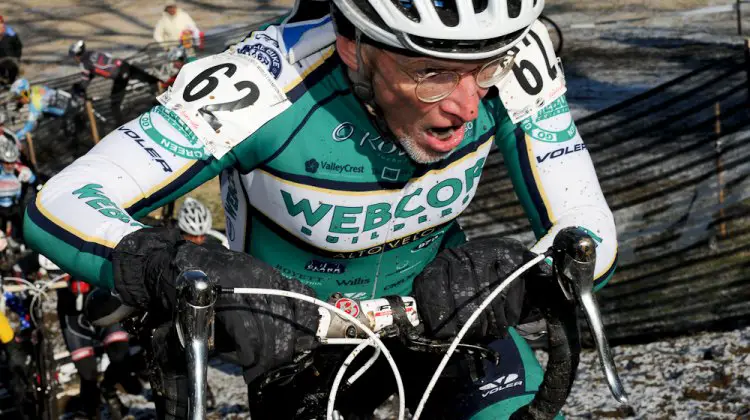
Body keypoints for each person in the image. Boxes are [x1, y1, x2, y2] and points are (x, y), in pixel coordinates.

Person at [26, 0, 618, 418]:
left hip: (449, 311)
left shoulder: (516, 61)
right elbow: (57, 204)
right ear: (353, 49)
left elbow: (588, 228)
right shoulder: (263, 84)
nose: (466, 106)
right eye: (431, 73)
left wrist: (528, 274)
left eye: (483, 69)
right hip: (293, 337)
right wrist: (167, 266)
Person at [57, 276, 133, 419]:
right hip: (72, 312)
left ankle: (108, 388)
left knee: (121, 356)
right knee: (88, 375)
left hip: (102, 300)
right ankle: (92, 413)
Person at [69, 40, 159, 126]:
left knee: (114, 105)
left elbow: (85, 81)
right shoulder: (92, 53)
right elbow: (95, 70)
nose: (74, 59)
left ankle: (120, 127)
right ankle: (163, 91)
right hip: (124, 65)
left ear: (77, 55)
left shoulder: (84, 64)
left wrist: (78, 88)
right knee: (152, 80)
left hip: (119, 76)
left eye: (73, 57)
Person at [9, 78, 75, 141]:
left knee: (39, 123)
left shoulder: (35, 106)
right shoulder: (35, 88)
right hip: (67, 99)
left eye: (18, 98)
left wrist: (15, 137)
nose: (18, 101)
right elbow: (33, 96)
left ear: (24, 95)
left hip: (66, 111)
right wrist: (20, 104)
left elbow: (28, 127)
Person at [0, 140, 33, 241]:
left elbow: (36, 182)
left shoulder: (21, 171)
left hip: (16, 205)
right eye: (6, 162)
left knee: (25, 228)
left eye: (12, 162)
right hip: (0, 207)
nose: (10, 165)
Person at [0, 15, 22, 85]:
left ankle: (12, 81)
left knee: (12, 69)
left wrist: (17, 57)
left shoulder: (11, 34)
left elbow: (18, 46)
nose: (1, 26)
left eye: (1, 24)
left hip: (11, 58)